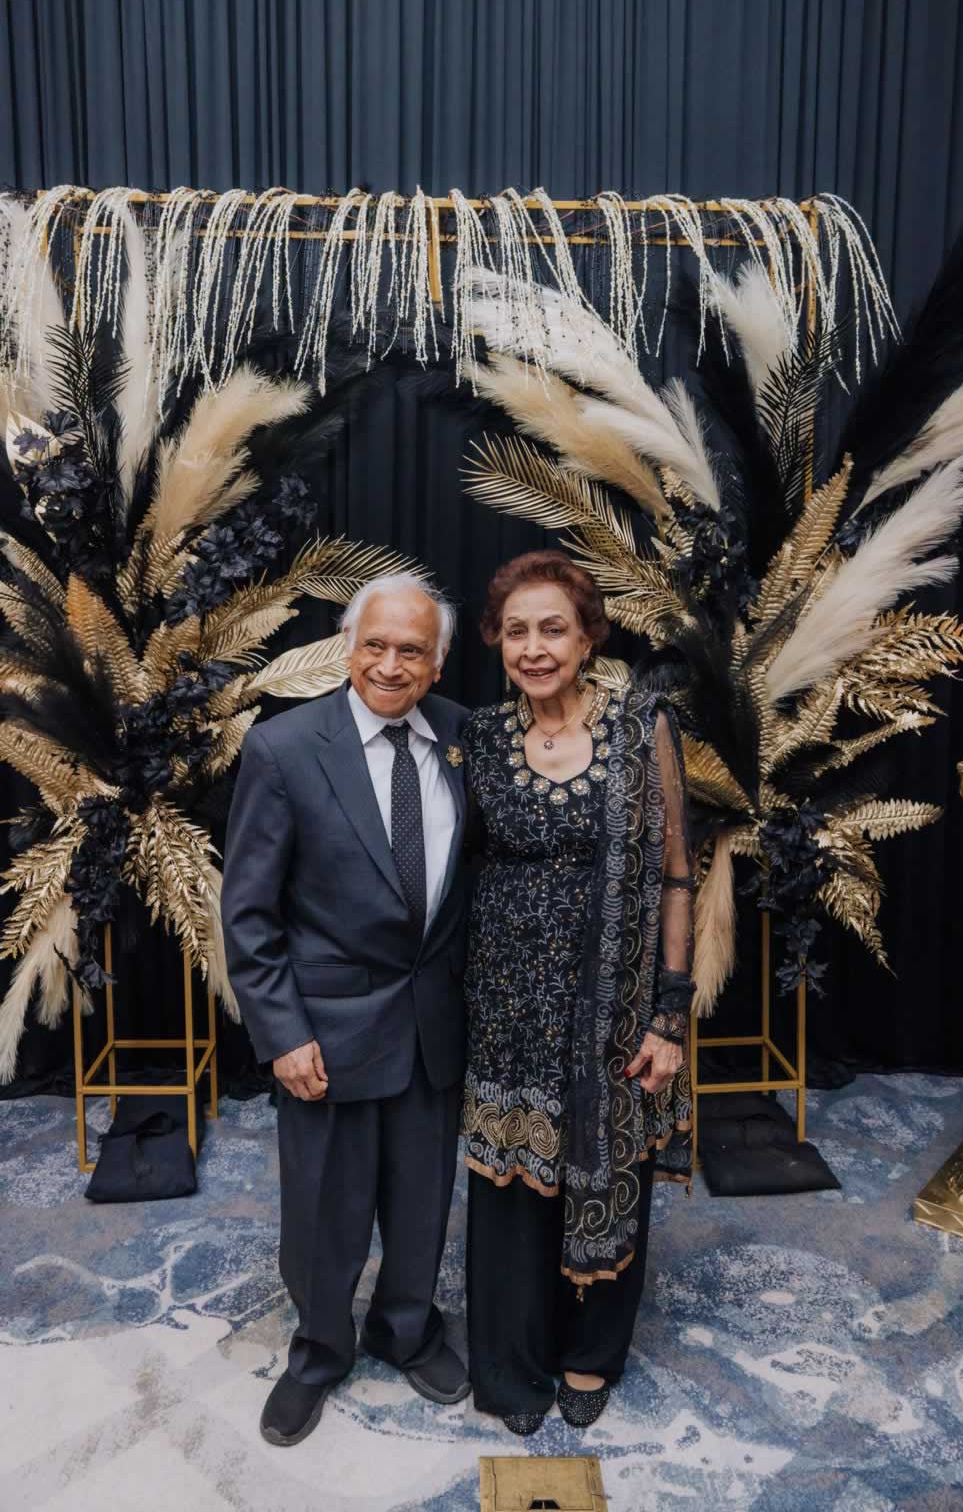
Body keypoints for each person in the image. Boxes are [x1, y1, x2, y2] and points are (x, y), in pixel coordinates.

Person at [222, 572, 471, 1447]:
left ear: (438, 662)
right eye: (376, 645)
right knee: (324, 1211)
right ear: (347, 647)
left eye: (412, 650)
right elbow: (249, 912)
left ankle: (406, 1329)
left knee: (421, 1200)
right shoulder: (284, 748)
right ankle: (319, 1350)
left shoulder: (465, 737)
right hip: (325, 1032)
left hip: (432, 1025)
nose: (391, 665)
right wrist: (282, 1033)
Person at [461, 550, 694, 1436]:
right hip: (507, 1005)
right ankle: (512, 1360)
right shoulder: (481, 735)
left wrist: (669, 1013)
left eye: (553, 628)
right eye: (516, 630)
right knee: (513, 1188)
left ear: (588, 636)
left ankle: (591, 1349)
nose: (534, 647)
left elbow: (677, 873)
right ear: (496, 640)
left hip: (614, 1008)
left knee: (607, 1168)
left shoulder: (643, 727)